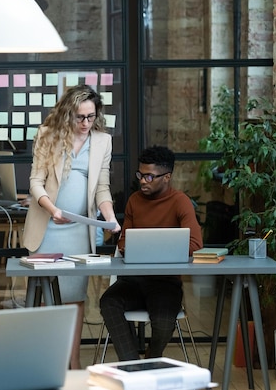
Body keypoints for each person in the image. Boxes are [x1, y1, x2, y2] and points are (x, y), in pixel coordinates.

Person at [23, 84, 121, 369]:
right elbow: (35, 182)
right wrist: (53, 210)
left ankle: (73, 365)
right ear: (67, 113)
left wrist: (110, 216)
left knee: (75, 298)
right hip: (48, 228)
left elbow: (102, 188)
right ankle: (46, 365)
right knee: (46, 299)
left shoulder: (102, 141)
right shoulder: (47, 135)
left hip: (79, 231)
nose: (86, 123)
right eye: (80, 117)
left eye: (91, 117)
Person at [99, 145, 203, 361]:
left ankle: (151, 358)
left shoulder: (180, 201)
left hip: (166, 283)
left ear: (166, 177)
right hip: (133, 282)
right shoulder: (134, 201)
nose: (143, 181)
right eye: (141, 174)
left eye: (149, 176)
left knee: (164, 323)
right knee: (109, 302)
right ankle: (133, 366)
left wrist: (153, 249)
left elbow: (195, 243)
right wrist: (133, 247)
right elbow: (124, 241)